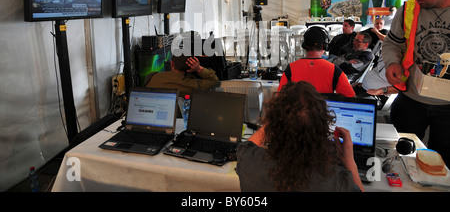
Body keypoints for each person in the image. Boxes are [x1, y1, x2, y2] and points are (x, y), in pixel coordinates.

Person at [236, 81, 365, 192]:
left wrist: (273, 118)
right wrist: (349, 161)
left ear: (273, 126)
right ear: (323, 128)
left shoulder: (248, 160)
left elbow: (245, 146)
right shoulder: (338, 182)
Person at [382, 0, 450, 165]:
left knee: (442, 164)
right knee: (400, 156)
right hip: (411, 99)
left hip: (448, 106)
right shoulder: (408, 10)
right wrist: (392, 63)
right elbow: (392, 44)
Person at [278, 26, 355, 98]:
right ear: (324, 46)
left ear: (304, 45)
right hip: (324, 111)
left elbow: (280, 97)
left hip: (297, 111)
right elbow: (351, 98)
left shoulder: (291, 68)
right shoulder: (334, 69)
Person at [145, 55, 219, 98]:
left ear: (172, 64)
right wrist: (198, 68)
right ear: (190, 67)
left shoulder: (152, 77)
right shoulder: (191, 85)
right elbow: (213, 80)